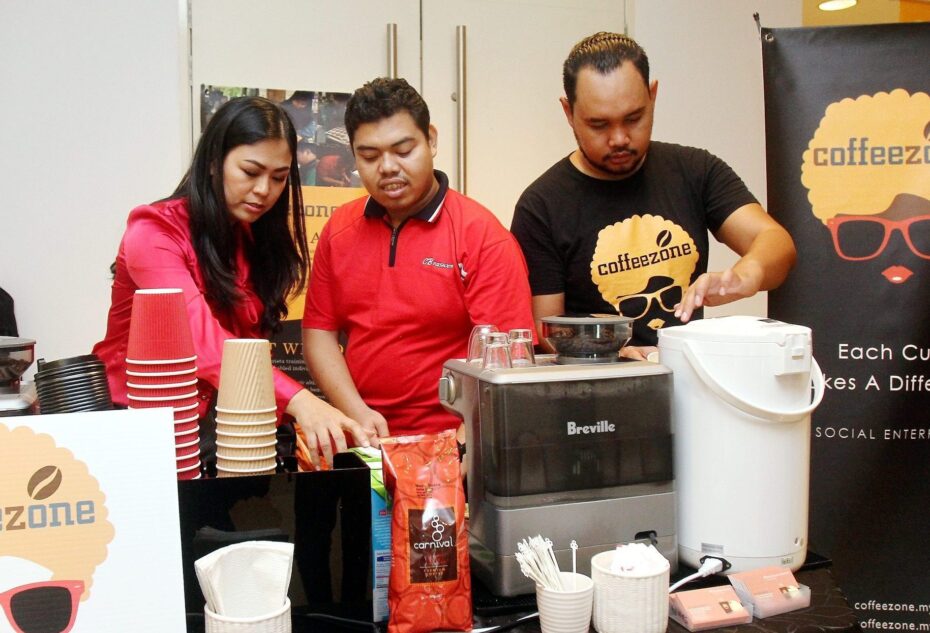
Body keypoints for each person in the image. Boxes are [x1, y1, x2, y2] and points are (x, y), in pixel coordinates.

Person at [93, 96, 369, 467]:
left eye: (278, 177)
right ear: (213, 162)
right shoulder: (153, 231)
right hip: (134, 422)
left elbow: (248, 348)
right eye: (250, 172)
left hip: (213, 425)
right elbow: (199, 340)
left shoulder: (252, 238)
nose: (264, 190)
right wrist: (301, 402)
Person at [511, 32, 796, 357]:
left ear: (653, 96)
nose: (619, 138)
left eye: (633, 118)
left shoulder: (695, 171)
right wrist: (609, 355)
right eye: (599, 125)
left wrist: (747, 275)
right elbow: (546, 330)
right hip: (594, 384)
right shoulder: (542, 206)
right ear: (568, 112)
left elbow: (777, 242)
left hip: (689, 375)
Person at [302, 77, 535, 440]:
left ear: (432, 140)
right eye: (370, 156)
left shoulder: (482, 237)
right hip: (363, 436)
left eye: (403, 150)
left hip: (453, 440)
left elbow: (510, 365)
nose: (388, 167)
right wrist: (357, 413)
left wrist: (462, 444)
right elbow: (319, 334)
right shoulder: (339, 230)